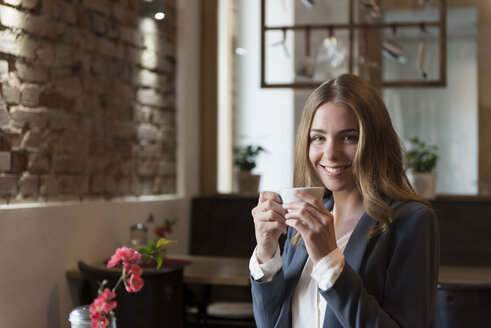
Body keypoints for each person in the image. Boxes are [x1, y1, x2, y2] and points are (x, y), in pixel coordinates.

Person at [249, 73, 439, 328]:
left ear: (375, 141)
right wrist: (267, 254)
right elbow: (272, 324)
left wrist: (329, 261)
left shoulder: (412, 221)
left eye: (348, 137)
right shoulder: (303, 221)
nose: (330, 153)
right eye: (318, 138)